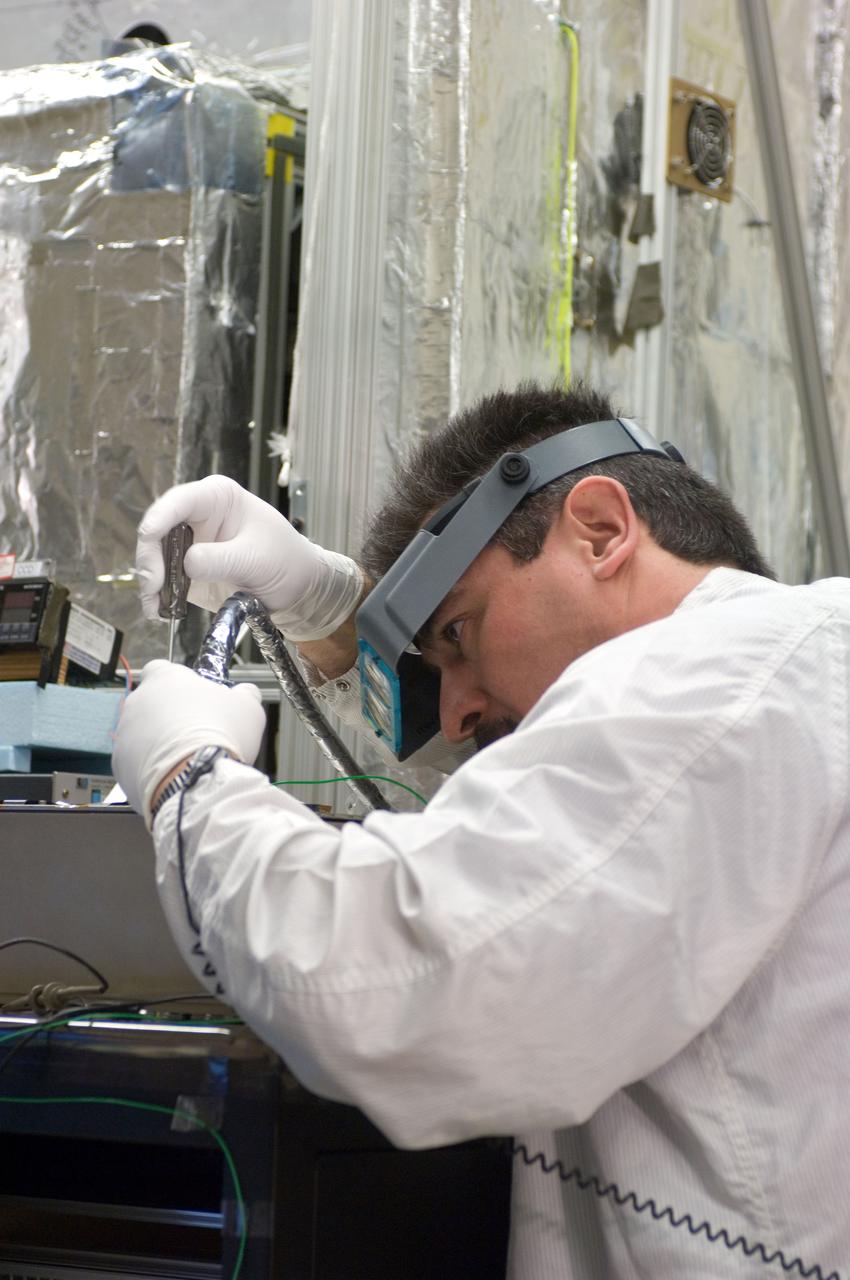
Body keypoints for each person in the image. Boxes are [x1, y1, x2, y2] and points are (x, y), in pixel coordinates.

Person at [113, 381, 850, 1279]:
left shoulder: (705, 683)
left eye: (459, 635)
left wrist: (187, 777)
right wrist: (337, 613)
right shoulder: (785, 668)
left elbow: (381, 973)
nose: (455, 714)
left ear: (602, 531)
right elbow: (529, 796)